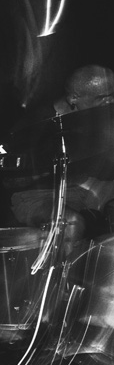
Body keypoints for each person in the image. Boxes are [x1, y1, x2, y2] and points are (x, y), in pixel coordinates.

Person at [8, 64, 114, 242]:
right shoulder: (36, 124)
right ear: (74, 98)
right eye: (103, 97)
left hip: (89, 185)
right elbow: (11, 180)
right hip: (37, 194)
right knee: (71, 224)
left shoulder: (101, 117)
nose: (110, 102)